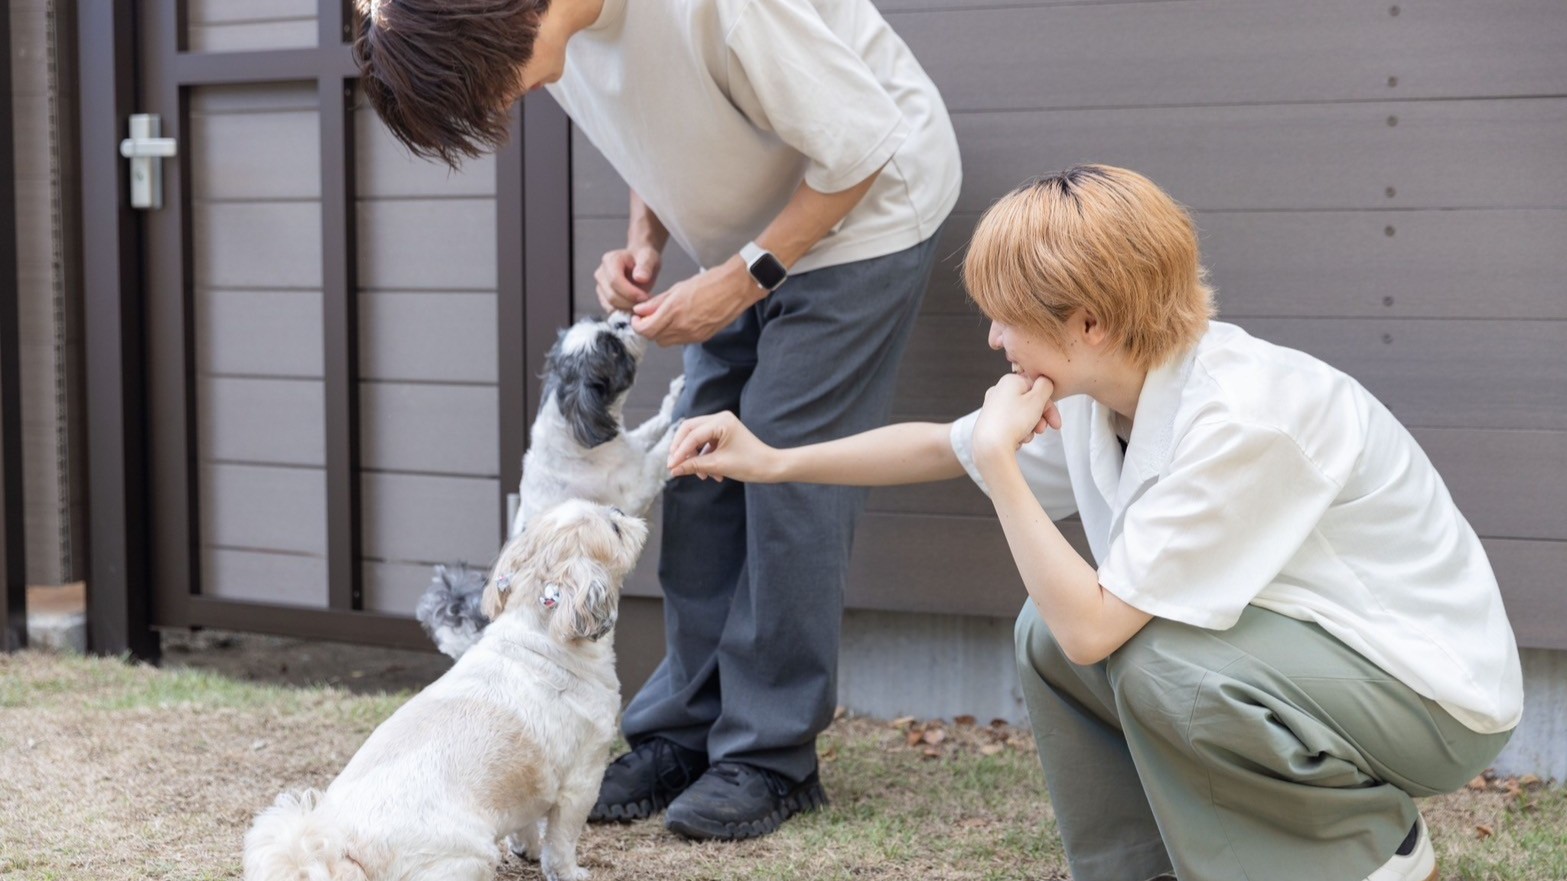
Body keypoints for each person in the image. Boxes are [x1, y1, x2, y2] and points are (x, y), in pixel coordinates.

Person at [663, 165, 1523, 881]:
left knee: (1155, 657)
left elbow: (1095, 629)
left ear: (1089, 322)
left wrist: (1004, 469)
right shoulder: (1098, 388)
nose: (996, 339)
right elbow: (939, 445)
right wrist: (769, 457)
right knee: (1050, 629)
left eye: (1008, 318)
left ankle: (1371, 849)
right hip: (1315, 660)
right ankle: (1136, 866)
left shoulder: (1243, 419)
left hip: (1428, 695)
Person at [353, 0, 961, 840]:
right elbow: (654, 121)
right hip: (743, 236)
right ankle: (683, 730)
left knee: (784, 472)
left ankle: (769, 754)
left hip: (868, 212)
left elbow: (861, 144)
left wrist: (740, 280)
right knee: (696, 465)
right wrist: (645, 240)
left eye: (488, 91)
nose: (499, 108)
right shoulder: (540, 35)